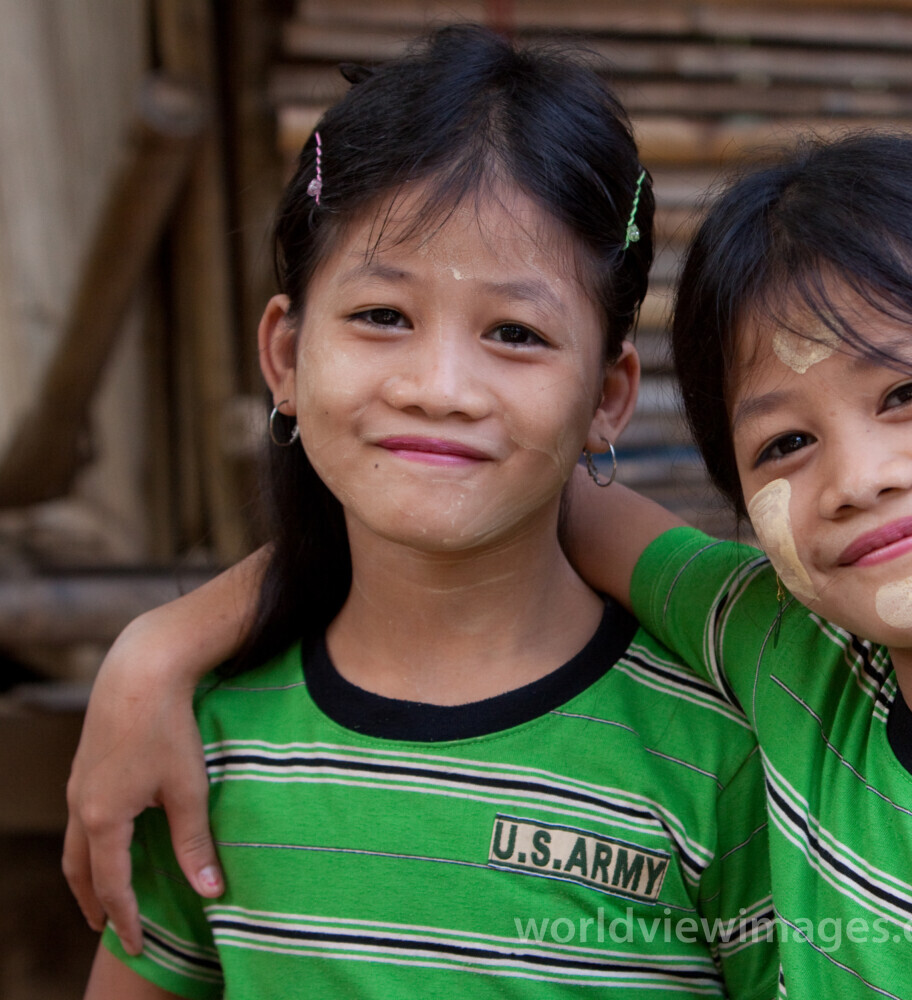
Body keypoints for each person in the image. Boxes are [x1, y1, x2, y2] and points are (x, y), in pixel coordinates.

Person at [70, 134, 912, 997]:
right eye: (783, 442)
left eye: (910, 392)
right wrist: (165, 643)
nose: (858, 473)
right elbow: (512, 488)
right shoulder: (786, 660)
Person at [77, 25, 774, 1000]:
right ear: (284, 357)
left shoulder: (717, 756)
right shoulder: (201, 740)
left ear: (608, 397)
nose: (441, 387)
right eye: (382, 316)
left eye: (516, 332)